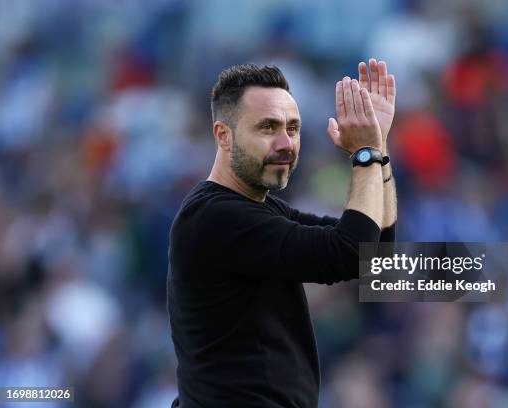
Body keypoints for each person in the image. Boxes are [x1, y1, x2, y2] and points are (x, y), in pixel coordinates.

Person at [167, 59, 397, 407]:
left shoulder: (259, 211)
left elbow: (374, 257)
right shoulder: (213, 217)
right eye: (267, 127)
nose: (286, 143)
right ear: (223, 135)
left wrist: (379, 151)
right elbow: (348, 253)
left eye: (293, 128)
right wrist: (365, 154)